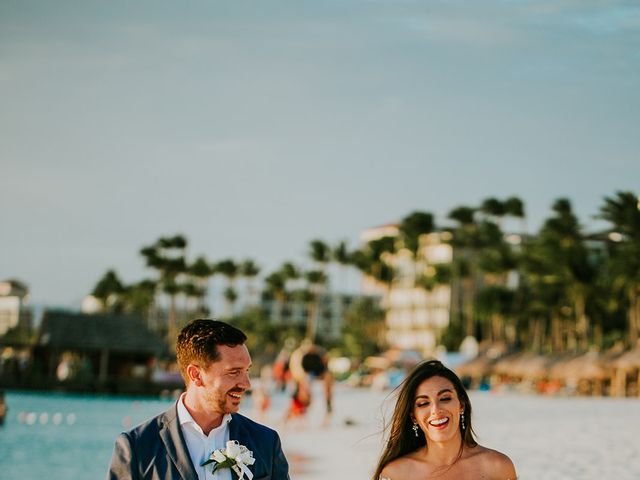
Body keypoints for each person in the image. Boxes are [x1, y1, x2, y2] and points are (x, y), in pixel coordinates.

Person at [107, 319, 290, 479]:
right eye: (234, 372)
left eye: (246, 370)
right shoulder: (138, 447)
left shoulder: (266, 442)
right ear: (196, 375)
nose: (246, 383)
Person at [373, 360, 516, 480]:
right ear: (413, 416)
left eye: (445, 398)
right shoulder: (396, 474)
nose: (435, 409)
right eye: (423, 403)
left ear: (461, 405)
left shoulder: (498, 467)